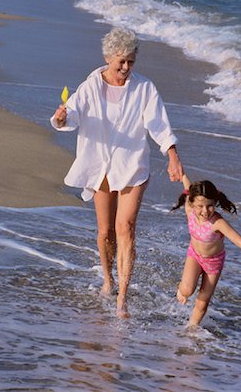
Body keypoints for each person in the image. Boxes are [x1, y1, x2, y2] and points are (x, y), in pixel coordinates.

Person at [51, 27, 183, 318]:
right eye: (120, 61)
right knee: (105, 232)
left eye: (131, 62)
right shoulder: (89, 87)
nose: (125, 68)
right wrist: (61, 118)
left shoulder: (145, 88)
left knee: (125, 228)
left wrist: (172, 156)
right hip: (100, 165)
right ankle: (108, 279)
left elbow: (159, 124)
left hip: (132, 164)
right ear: (108, 57)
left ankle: (123, 295)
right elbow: (70, 115)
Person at [172, 174, 241, 327]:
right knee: (187, 291)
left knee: (203, 301)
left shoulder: (218, 223)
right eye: (200, 206)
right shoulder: (189, 210)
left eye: (210, 205)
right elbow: (187, 188)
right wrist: (182, 175)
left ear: (215, 202)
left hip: (213, 263)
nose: (205, 211)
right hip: (195, 256)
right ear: (191, 202)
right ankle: (182, 287)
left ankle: (191, 329)